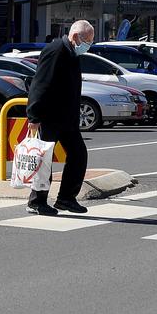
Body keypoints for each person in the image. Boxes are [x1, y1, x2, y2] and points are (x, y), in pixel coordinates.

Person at [24, 19, 93, 216]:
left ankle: (66, 198)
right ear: (75, 37)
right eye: (87, 41)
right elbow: (41, 84)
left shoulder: (71, 54)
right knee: (44, 159)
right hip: (50, 116)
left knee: (78, 154)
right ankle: (37, 201)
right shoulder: (55, 51)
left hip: (66, 118)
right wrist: (34, 116)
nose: (89, 46)